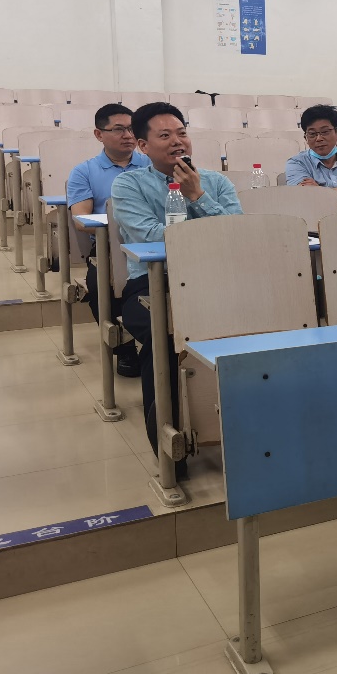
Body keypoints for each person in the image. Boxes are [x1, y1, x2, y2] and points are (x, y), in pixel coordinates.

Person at [109, 102, 242, 467]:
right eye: (165, 135)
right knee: (163, 337)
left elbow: (237, 232)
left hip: (215, 280)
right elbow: (152, 236)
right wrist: (206, 228)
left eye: (182, 133)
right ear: (143, 145)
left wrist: (198, 195)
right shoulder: (128, 184)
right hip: (154, 285)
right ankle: (170, 452)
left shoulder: (215, 182)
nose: (177, 141)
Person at [66, 103, 152, 378]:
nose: (128, 135)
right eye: (119, 129)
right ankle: (123, 347)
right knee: (99, 283)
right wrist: (123, 225)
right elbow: (81, 219)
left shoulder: (152, 164)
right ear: (99, 134)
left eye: (131, 129)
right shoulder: (84, 171)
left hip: (151, 240)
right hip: (108, 245)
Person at [285, 104, 337, 202]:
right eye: (312, 134)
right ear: (305, 138)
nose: (319, 139)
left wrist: (321, 192)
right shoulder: (297, 163)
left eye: (325, 132)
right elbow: (306, 199)